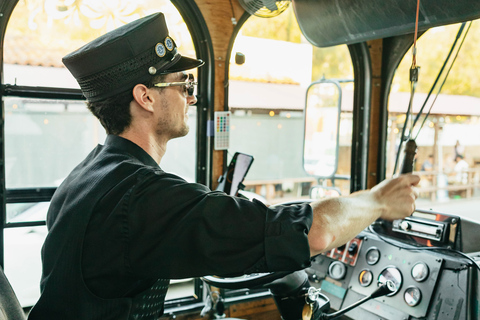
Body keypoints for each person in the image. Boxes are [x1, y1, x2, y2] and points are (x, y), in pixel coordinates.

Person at [27, 13, 420, 320]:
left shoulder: (86, 175)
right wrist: (379, 200)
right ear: (145, 97)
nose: (191, 98)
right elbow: (312, 233)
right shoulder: (145, 197)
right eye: (185, 85)